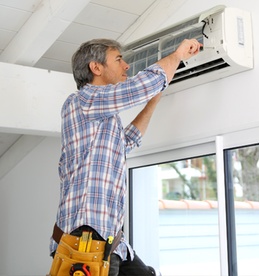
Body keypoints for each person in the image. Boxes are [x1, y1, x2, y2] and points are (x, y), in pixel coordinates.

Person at [50, 38, 201, 275]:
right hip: (84, 242)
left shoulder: (101, 116)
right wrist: (178, 55)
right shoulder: (83, 101)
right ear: (96, 68)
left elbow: (127, 141)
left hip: (110, 242)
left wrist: (153, 100)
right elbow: (139, 87)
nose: (126, 65)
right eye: (119, 59)